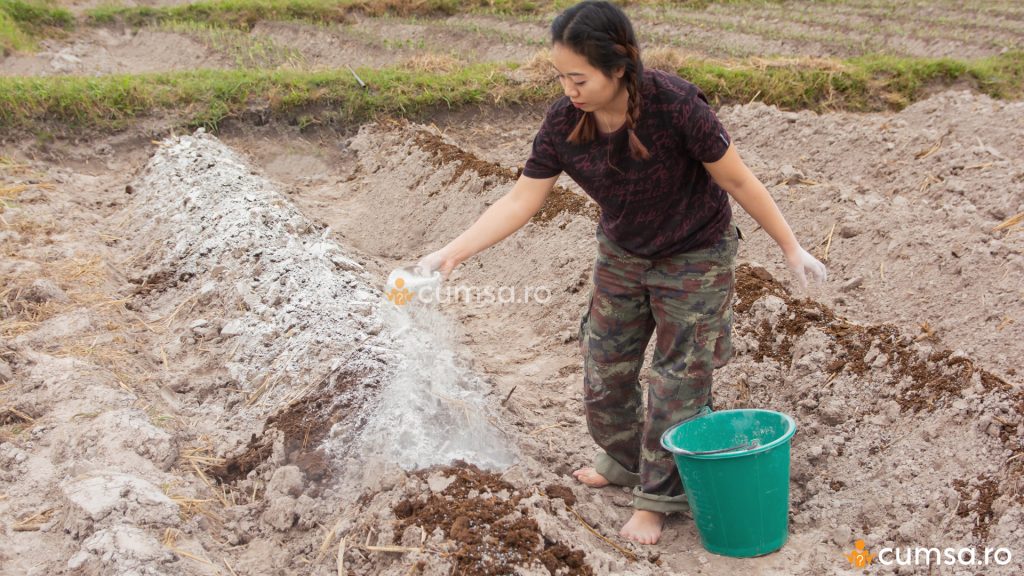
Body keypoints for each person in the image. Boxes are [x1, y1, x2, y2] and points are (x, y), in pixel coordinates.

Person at [415, 0, 827, 545]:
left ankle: (658, 498)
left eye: (578, 77)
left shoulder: (676, 105)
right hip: (623, 253)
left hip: (694, 255)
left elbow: (738, 181)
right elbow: (522, 198)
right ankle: (625, 460)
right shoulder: (565, 121)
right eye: (560, 76)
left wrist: (790, 247)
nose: (568, 89)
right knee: (603, 368)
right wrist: (454, 251)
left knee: (678, 381)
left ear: (619, 67)